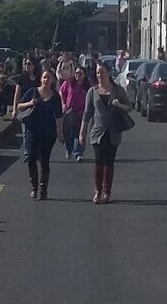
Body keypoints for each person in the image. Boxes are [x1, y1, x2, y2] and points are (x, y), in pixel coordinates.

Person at [83, 62, 136, 204]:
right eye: (97, 72)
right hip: (97, 131)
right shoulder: (92, 91)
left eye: (102, 72)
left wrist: (119, 105)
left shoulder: (118, 90)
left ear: (108, 73)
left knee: (109, 161)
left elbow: (129, 107)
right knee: (99, 160)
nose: (99, 75)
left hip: (113, 131)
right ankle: (98, 191)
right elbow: (87, 113)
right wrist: (82, 132)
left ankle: (107, 192)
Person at [12, 68, 62, 200]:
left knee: (44, 160)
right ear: (41, 79)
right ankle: (34, 187)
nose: (46, 80)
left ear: (53, 80)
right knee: (31, 158)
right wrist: (30, 103)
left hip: (48, 131)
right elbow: (19, 106)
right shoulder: (32, 91)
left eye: (49, 78)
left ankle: (43, 189)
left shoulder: (55, 96)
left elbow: (58, 116)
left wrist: (60, 132)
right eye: (44, 77)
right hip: (32, 129)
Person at [58, 63, 88, 161]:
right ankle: (69, 149)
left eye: (80, 73)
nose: (77, 75)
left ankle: (78, 153)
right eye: (76, 73)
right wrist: (63, 103)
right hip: (69, 112)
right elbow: (61, 92)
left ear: (84, 75)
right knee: (68, 134)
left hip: (81, 113)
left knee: (79, 133)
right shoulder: (69, 83)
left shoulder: (87, 87)